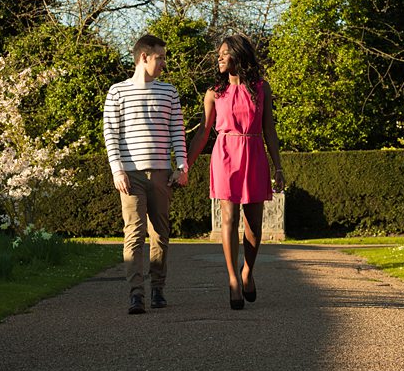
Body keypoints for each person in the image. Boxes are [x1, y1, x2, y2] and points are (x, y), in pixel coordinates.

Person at [187, 34, 284, 310]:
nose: (218, 57)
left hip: (254, 153)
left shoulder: (261, 88)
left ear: (239, 56)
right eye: (218, 53)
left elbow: (269, 130)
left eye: (224, 53)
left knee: (254, 224)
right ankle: (232, 278)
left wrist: (278, 166)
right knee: (228, 217)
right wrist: (185, 166)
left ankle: (247, 272)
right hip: (225, 154)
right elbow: (203, 133)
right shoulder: (214, 92)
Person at [103, 34, 188, 315]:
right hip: (130, 175)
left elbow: (177, 132)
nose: (163, 63)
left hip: (161, 173)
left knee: (160, 234)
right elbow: (111, 134)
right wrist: (117, 170)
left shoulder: (169, 92)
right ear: (144, 57)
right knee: (134, 234)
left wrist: (182, 167)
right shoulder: (117, 92)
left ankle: (157, 289)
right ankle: (136, 294)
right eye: (159, 57)